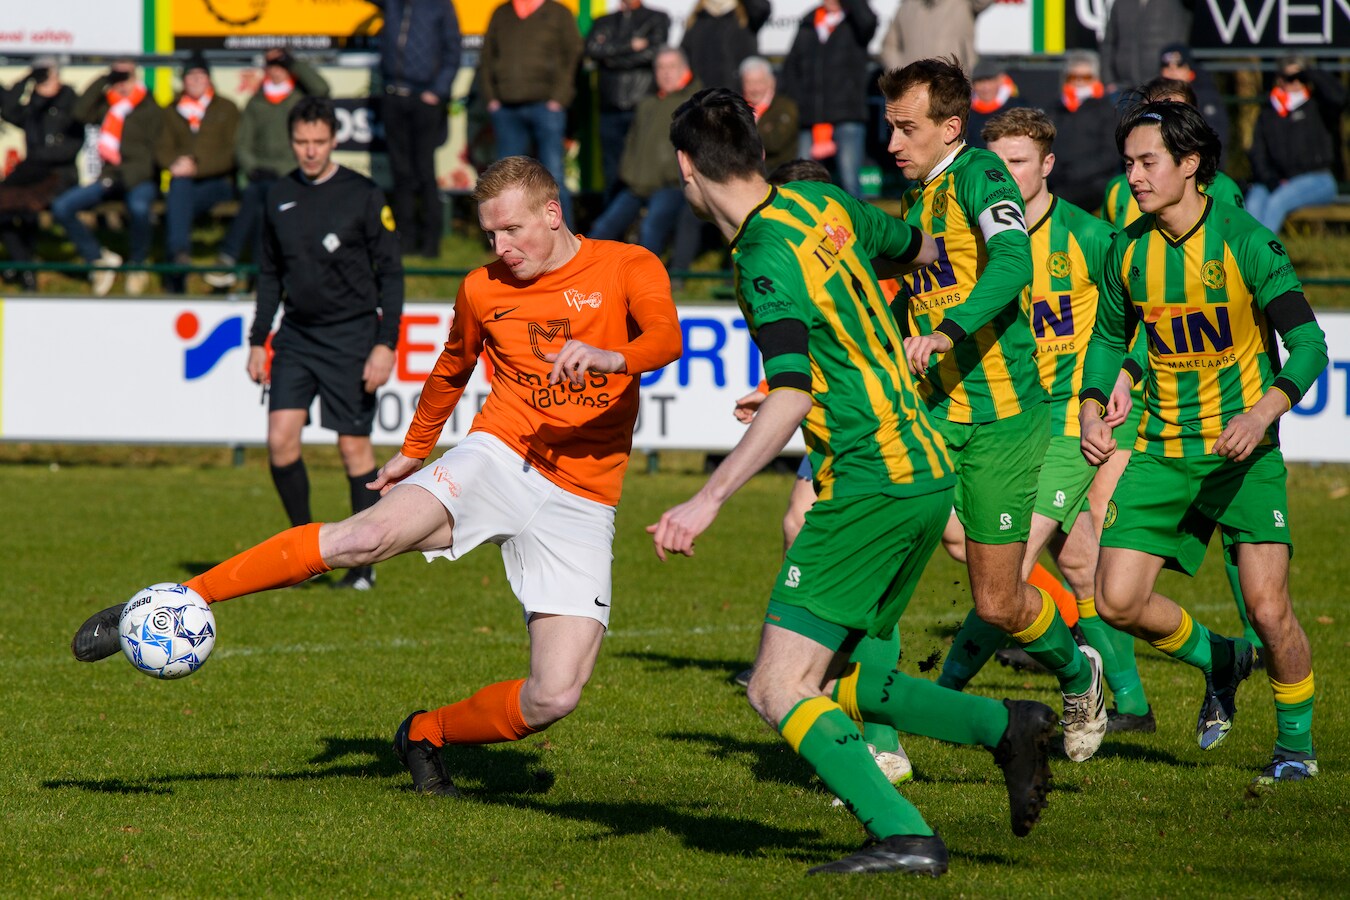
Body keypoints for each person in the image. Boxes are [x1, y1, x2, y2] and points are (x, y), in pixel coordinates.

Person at [72, 155, 684, 801]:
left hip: (584, 498)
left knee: (554, 695)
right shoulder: (482, 287)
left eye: (512, 231)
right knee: (360, 540)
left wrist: (612, 355)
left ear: (552, 213)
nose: (501, 249)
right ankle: (173, 600)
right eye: (489, 236)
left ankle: (424, 733)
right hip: (500, 457)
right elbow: (452, 370)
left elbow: (666, 338)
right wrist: (415, 451)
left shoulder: (627, 265)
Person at [654, 87, 1056, 877]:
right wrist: (853, 356)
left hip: (869, 479)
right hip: (923, 466)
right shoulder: (821, 206)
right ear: (760, 155)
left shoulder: (763, 254)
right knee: (845, 676)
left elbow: (795, 389)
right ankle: (1005, 727)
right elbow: (918, 252)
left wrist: (705, 499)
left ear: (686, 168)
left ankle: (902, 833)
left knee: (776, 687)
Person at [1079, 100, 1328, 785]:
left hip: (1246, 455)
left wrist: (1263, 412)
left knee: (1270, 609)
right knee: (1117, 602)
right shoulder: (1126, 251)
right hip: (1161, 449)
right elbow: (1107, 338)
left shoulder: (1247, 240)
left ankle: (1295, 749)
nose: (1133, 175)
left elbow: (1307, 345)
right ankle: (1220, 660)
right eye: (1127, 162)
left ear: (1190, 166)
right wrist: (1093, 406)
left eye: (1147, 161)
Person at [880, 58, 1106, 762]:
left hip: (1004, 423)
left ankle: (1079, 673)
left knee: (998, 604)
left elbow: (1014, 265)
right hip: (932, 417)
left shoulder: (980, 175)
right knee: (884, 570)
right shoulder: (917, 201)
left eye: (906, 128)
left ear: (950, 128)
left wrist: (948, 333)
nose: (892, 143)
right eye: (890, 127)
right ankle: (880, 743)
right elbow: (901, 302)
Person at [965, 107, 1156, 732]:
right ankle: (1157, 686)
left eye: (1017, 163)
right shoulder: (979, 241)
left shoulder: (1090, 237)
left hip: (1079, 417)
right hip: (1010, 419)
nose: (1003, 175)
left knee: (1014, 568)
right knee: (1077, 563)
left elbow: (1142, 320)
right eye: (993, 164)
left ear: (1047, 165)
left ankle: (945, 692)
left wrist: (1122, 381)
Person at [250, 98, 405, 591]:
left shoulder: (362, 194)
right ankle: (300, 551)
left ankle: (363, 564)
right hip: (296, 334)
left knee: (354, 450)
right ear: (291, 140)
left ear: (333, 139)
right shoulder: (277, 195)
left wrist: (386, 343)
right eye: (302, 142)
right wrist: (259, 340)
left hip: (353, 336)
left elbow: (392, 273)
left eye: (319, 142)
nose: (310, 151)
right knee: (279, 441)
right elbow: (270, 274)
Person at [206, 49, 332, 290]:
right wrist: (252, 167)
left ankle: (229, 258)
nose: (275, 71)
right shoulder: (257, 101)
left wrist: (295, 63)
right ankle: (257, 274)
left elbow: (322, 89)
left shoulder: (300, 99)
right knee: (262, 204)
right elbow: (242, 143)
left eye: (280, 66)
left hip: (291, 172)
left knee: (262, 199)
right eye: (271, 66)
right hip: (261, 175)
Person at [50, 59, 162, 297]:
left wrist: (126, 177)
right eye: (117, 80)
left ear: (136, 78)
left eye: (126, 79)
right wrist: (105, 78)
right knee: (62, 207)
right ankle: (99, 259)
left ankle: (137, 264)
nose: (122, 85)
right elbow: (79, 112)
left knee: (139, 207)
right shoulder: (107, 106)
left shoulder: (150, 108)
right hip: (110, 177)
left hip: (139, 178)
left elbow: (155, 156)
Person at [370, 0, 462, 258]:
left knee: (424, 170)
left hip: (425, 98)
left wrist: (438, 91)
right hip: (393, 95)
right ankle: (406, 240)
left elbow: (453, 51)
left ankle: (431, 242)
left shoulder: (440, 5)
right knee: (400, 172)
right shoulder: (393, 3)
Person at [479, 0, 583, 227]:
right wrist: (491, 99)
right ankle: (508, 237)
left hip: (546, 107)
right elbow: (486, 56)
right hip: (506, 109)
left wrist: (560, 98)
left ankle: (567, 240)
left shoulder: (558, 13)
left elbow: (573, 55)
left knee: (553, 177)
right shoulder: (502, 12)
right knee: (506, 181)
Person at [586, 48, 699, 257]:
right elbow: (632, 143)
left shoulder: (694, 103)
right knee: (601, 229)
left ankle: (646, 284)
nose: (666, 73)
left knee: (650, 230)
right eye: (661, 68)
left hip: (671, 185)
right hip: (636, 185)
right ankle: (581, 276)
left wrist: (674, 175)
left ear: (684, 69)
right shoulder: (647, 103)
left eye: (671, 67)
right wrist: (627, 173)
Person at [1102, 79, 1244, 229]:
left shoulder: (1222, 188)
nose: (1133, 178)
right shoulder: (1117, 190)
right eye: (1148, 116)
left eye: (1172, 115)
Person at [157, 54, 241, 294]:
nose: (195, 80)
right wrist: (175, 164)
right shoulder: (172, 110)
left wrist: (198, 167)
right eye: (190, 75)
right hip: (184, 181)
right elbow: (162, 148)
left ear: (209, 78)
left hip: (219, 182)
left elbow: (232, 152)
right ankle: (180, 255)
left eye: (200, 75)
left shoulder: (226, 108)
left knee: (178, 199)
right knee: (180, 189)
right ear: (183, 80)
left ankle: (175, 266)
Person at [780, 0, 878, 198]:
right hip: (810, 118)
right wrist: (799, 102)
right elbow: (791, 67)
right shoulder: (809, 22)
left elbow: (868, 22)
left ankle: (860, 227)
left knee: (850, 182)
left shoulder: (855, 20)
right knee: (802, 182)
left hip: (847, 115)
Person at [0, 57, 82, 292]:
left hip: (57, 174)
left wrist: (40, 157)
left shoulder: (69, 102)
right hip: (32, 173)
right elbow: (8, 109)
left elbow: (71, 146)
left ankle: (24, 268)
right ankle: (23, 264)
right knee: (6, 210)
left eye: (49, 75)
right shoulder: (33, 106)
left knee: (27, 208)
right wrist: (28, 78)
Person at [1246, 56, 1346, 236]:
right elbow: (1257, 154)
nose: (1294, 82)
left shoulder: (1318, 106)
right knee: (1253, 202)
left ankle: (1264, 260)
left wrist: (1311, 73)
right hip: (1278, 180)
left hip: (1318, 178)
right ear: (1279, 79)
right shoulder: (1269, 112)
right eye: (1288, 77)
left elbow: (1340, 97)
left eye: (1299, 77)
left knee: (1278, 201)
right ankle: (1243, 260)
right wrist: (1270, 179)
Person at [585, 0, 670, 198]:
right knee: (611, 170)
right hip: (609, 108)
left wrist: (611, 57)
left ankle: (646, 223)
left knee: (645, 169)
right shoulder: (603, 21)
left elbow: (654, 53)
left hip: (641, 106)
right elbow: (591, 50)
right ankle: (613, 226)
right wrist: (630, 45)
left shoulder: (656, 18)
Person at [1048, 50, 1118, 214]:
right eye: (1073, 77)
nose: (1079, 82)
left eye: (1086, 77)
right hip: (1058, 180)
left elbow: (1110, 154)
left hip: (1094, 185)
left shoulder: (1106, 109)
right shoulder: (1055, 109)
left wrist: (1076, 172)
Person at [880, 0, 1002, 73]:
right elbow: (889, 46)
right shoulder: (907, 6)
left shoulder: (963, 3)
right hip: (913, 84)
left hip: (953, 82)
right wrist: (902, 70)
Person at [1099, 0, 1192, 94]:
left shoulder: (1174, 3)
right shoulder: (1121, 3)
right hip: (1124, 87)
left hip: (1161, 86)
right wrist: (1108, 81)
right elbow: (1109, 44)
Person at [680, 0, 770, 93]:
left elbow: (762, 8)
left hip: (737, 95)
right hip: (704, 96)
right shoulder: (698, 18)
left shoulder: (746, 14)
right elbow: (684, 57)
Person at [1158, 44, 1228, 151]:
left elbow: (1216, 136)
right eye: (1166, 66)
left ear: (1189, 69)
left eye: (1179, 66)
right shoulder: (1153, 96)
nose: (1172, 72)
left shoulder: (1205, 95)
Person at [740, 57, 798, 174]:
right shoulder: (738, 107)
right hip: (743, 173)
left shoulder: (785, 107)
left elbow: (774, 142)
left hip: (777, 173)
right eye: (749, 82)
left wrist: (741, 135)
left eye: (759, 82)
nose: (755, 89)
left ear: (771, 82)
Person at [965, 58, 1024, 151]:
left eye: (990, 80)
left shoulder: (1018, 108)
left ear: (1000, 80)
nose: (986, 87)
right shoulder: (965, 112)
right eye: (980, 81)